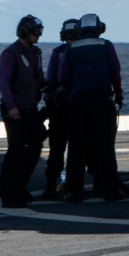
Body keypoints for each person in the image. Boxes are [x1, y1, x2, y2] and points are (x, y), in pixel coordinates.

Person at [59, 13, 123, 202]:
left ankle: (74, 190)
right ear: (99, 28)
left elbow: (63, 77)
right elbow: (115, 73)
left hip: (77, 102)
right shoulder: (106, 45)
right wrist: (118, 95)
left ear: (79, 29)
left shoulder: (71, 48)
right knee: (105, 148)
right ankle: (109, 189)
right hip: (102, 101)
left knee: (77, 148)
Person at [0, 15, 47, 208]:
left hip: (30, 108)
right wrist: (12, 107)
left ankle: (19, 187)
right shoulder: (11, 54)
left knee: (35, 147)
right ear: (25, 32)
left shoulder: (35, 53)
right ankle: (8, 194)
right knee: (16, 152)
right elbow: (4, 83)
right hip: (15, 110)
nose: (39, 35)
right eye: (36, 32)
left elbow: (39, 78)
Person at [40, 19, 77, 200]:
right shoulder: (59, 54)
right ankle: (53, 184)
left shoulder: (60, 53)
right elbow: (50, 82)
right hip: (62, 109)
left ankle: (61, 184)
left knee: (65, 150)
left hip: (68, 108)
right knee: (59, 150)